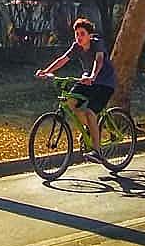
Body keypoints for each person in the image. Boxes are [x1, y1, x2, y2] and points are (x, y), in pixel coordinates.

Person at [36, 16, 117, 156]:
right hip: (86, 81)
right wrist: (46, 71)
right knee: (70, 104)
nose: (79, 37)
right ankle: (90, 129)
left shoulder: (97, 43)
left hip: (105, 82)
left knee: (90, 113)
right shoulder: (76, 47)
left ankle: (97, 151)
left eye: (82, 34)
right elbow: (62, 60)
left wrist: (93, 76)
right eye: (77, 34)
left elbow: (99, 60)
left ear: (90, 35)